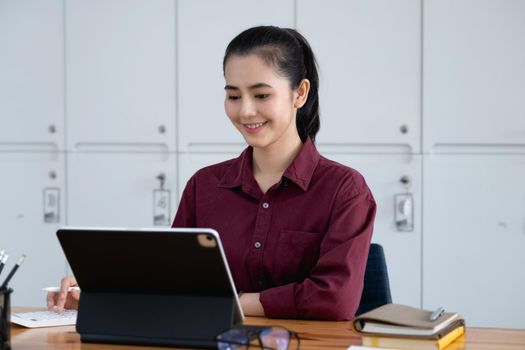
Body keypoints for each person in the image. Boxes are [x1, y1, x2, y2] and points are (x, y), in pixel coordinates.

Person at [47, 25, 376, 321]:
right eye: (233, 95)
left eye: (261, 95)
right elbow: (172, 279)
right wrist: (102, 290)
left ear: (299, 94)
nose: (245, 110)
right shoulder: (204, 186)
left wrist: (234, 302)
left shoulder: (344, 190)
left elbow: (335, 299)